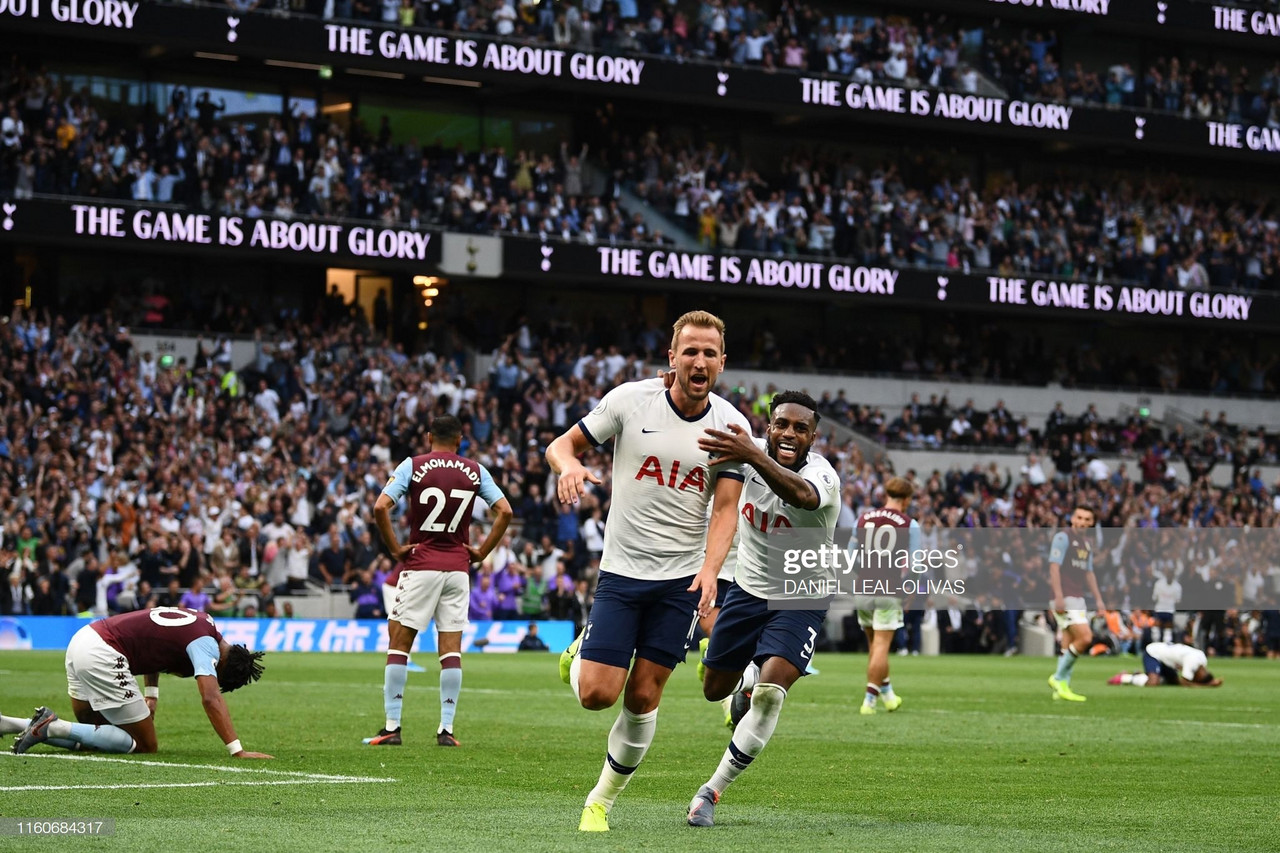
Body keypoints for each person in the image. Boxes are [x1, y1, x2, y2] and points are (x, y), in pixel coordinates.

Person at [546, 310, 749, 833]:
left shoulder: (731, 426)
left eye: (709, 353)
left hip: (681, 580)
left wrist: (710, 571)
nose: (699, 361)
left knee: (643, 696)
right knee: (596, 695)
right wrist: (569, 465)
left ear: (722, 363)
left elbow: (726, 509)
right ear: (672, 357)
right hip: (622, 571)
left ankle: (600, 803)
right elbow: (561, 445)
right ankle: (580, 652)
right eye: (690, 351)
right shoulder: (629, 401)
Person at [685, 391, 840, 828]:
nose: (790, 433)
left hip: (802, 598)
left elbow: (803, 497)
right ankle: (746, 681)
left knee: (772, 694)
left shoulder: (822, 475)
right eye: (782, 425)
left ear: (813, 436)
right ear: (769, 427)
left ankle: (710, 792)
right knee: (715, 690)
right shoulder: (741, 458)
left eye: (800, 428)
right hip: (747, 592)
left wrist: (752, 454)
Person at [364, 415, 513, 748]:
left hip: (421, 564)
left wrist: (396, 549)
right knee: (451, 651)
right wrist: (482, 553)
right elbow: (505, 511)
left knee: (399, 643)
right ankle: (446, 730)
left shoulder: (413, 465)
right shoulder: (475, 470)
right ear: (460, 439)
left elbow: (380, 507)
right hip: (458, 568)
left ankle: (392, 726)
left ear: (429, 436)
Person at [6, 607, 269, 758]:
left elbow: (155, 642)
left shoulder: (203, 620)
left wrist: (151, 695)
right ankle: (51, 726)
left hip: (82, 640)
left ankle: (10, 723)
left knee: (96, 734)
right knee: (145, 744)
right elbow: (211, 698)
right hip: (104, 652)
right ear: (221, 665)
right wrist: (237, 750)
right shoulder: (207, 648)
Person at [854, 477, 919, 715]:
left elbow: (851, 555)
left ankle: (889, 694)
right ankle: (869, 700)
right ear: (907, 500)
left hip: (863, 587)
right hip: (889, 588)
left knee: (874, 645)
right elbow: (915, 564)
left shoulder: (863, 519)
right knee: (882, 644)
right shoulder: (909, 524)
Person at [1047, 505, 1106, 702]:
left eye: (1086, 519)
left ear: (1092, 523)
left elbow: (1089, 573)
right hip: (1066, 596)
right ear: (1072, 518)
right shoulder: (1063, 538)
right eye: (1079, 517)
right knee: (1086, 638)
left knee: (1068, 641)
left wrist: (1098, 599)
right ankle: (1058, 679)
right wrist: (1058, 596)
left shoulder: (1087, 544)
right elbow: (1054, 567)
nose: (1082, 522)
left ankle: (1061, 689)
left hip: (1078, 596)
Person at [1107, 642, 1222, 687]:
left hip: (1168, 662)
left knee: (1173, 682)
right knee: (1153, 683)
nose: (1195, 678)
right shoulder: (1192, 661)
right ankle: (1125, 677)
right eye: (1198, 678)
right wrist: (1206, 685)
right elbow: (1186, 682)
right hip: (1154, 652)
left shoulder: (1202, 658)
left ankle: (1139, 674)